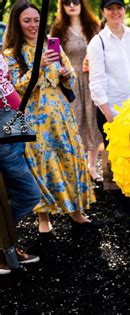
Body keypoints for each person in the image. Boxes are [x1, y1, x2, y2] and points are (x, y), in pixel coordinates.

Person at [4, 0, 94, 234]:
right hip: (35, 120)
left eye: (36, 20)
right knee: (42, 164)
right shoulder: (10, 54)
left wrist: (65, 74)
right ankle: (44, 218)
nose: (33, 25)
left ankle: (75, 210)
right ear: (17, 23)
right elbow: (15, 88)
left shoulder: (50, 44)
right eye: (27, 21)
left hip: (61, 114)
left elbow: (71, 76)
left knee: (69, 157)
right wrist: (38, 66)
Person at [87, 0, 130, 216]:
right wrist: (109, 114)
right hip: (112, 110)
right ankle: (120, 202)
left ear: (124, 10)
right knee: (115, 158)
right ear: (103, 12)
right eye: (110, 8)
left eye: (119, 7)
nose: (115, 12)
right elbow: (97, 81)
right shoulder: (98, 43)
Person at [50, 0, 102, 184]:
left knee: (94, 122)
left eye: (76, 1)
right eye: (66, 2)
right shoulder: (58, 30)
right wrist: (59, 72)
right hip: (71, 83)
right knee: (76, 123)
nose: (72, 5)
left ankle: (93, 166)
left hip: (94, 80)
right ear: (61, 6)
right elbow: (53, 58)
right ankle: (77, 167)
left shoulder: (94, 26)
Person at [0, 52, 41, 274]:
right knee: (29, 194)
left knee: (9, 197)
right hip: (3, 136)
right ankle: (5, 244)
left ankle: (8, 246)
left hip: (12, 129)